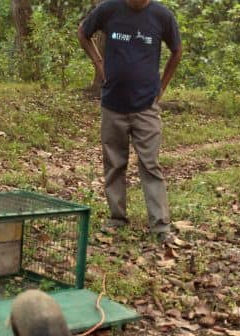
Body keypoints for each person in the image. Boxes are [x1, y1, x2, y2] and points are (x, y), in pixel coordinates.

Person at [78, 0, 183, 243]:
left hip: (146, 106)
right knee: (114, 163)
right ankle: (117, 218)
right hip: (112, 103)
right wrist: (98, 62)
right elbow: (83, 32)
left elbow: (176, 50)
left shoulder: (162, 16)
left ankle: (160, 226)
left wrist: (162, 86)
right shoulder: (109, 10)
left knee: (150, 165)